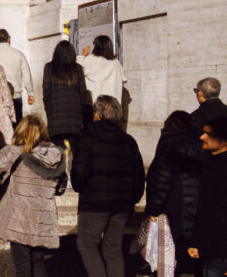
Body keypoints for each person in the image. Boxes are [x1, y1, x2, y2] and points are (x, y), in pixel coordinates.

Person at [0, 115, 67, 277]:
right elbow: (60, 189)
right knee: (38, 261)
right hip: (42, 218)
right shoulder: (56, 156)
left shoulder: (13, 152)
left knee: (22, 263)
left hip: (19, 217)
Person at [71, 95, 145, 277]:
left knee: (87, 244)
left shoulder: (87, 138)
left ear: (97, 114)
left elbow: (79, 172)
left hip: (94, 203)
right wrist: (132, 199)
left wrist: (79, 187)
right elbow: (139, 175)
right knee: (113, 249)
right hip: (121, 204)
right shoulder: (128, 141)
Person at [145, 110, 204, 273]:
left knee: (170, 253)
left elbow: (161, 179)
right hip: (197, 201)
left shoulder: (168, 143)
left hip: (174, 202)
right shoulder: (201, 141)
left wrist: (153, 209)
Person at [187, 117, 227, 277]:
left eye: (208, 134)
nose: (202, 137)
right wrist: (196, 242)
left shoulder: (219, 167)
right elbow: (204, 208)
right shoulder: (210, 163)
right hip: (211, 248)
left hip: (220, 250)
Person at [42, 40, 91, 151]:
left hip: (55, 115)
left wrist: (49, 111)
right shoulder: (78, 69)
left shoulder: (49, 68)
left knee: (57, 151)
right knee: (76, 150)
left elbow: (46, 92)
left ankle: (62, 168)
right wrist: (82, 114)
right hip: (74, 115)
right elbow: (83, 93)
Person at [0, 30, 35, 122]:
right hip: (16, 96)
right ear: (8, 39)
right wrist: (30, 93)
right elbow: (26, 75)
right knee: (17, 126)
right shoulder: (18, 54)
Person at [77, 35, 126, 103]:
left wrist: (82, 55)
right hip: (113, 106)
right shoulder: (116, 63)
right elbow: (123, 80)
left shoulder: (90, 60)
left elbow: (77, 69)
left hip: (96, 105)